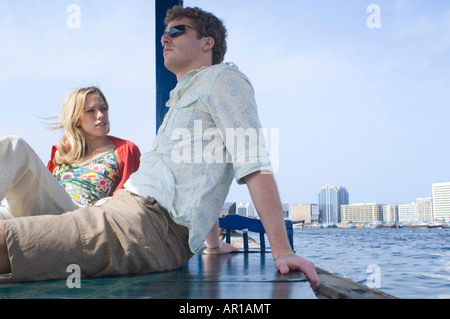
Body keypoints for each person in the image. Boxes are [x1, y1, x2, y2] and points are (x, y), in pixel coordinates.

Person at [0, 6, 319, 290]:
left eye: (177, 31)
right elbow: (197, 178)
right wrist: (213, 244)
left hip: (141, 227)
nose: (165, 39)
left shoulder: (223, 79)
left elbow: (254, 163)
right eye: (164, 33)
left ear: (207, 43)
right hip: (118, 213)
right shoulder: (186, 100)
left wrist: (283, 250)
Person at [0, 86, 141, 219]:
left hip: (79, 214)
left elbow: (133, 198)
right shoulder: (63, 153)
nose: (100, 115)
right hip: (47, 208)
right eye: (91, 111)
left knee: (15, 145)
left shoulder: (123, 151)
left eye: (103, 109)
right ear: (77, 119)